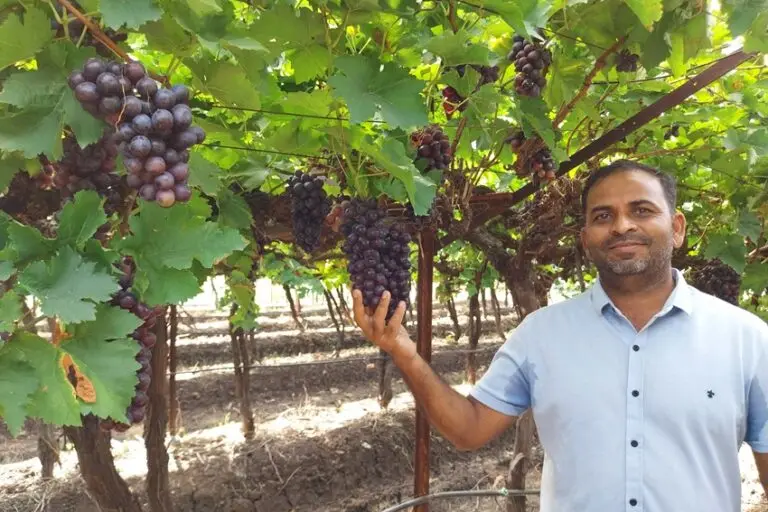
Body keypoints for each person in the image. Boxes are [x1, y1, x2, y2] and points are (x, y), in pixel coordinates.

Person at [351, 160, 768, 512]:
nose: (622, 226)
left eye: (641, 210)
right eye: (603, 216)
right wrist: (401, 349)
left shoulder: (747, 339)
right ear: (586, 239)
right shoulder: (541, 335)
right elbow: (468, 429)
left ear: (676, 228)